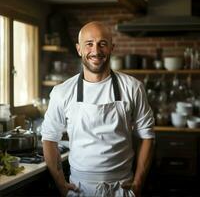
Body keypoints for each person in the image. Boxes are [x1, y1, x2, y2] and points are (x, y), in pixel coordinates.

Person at [41, 21, 155, 197]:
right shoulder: (62, 92)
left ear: (111, 48)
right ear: (79, 49)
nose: (96, 51)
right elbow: (49, 139)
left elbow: (147, 136)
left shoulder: (133, 87)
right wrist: (61, 185)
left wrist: (138, 184)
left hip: (122, 188)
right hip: (79, 188)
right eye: (89, 44)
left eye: (103, 43)